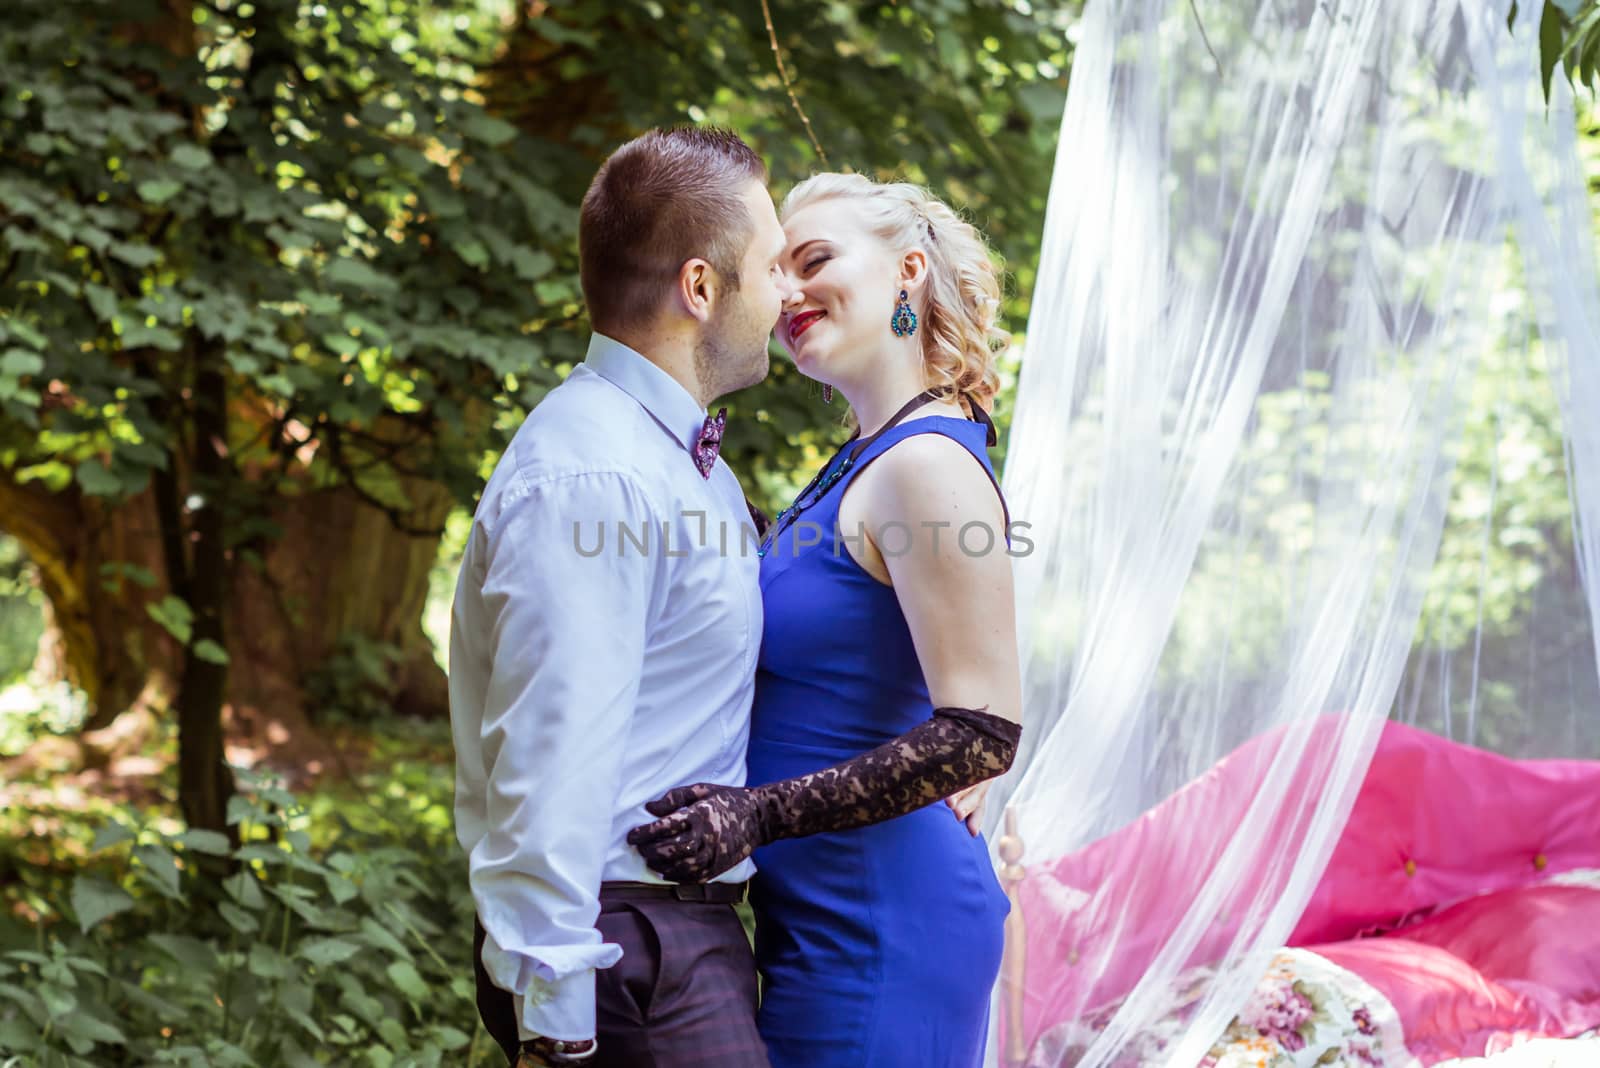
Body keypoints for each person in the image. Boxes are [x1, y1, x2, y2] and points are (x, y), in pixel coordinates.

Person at [629, 172, 1024, 1068]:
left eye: (816, 260)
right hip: (816, 915)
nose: (789, 293)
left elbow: (980, 735)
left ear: (908, 272)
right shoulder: (865, 460)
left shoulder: (926, 466)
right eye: (778, 273)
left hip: (883, 923)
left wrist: (752, 815)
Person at [449, 126, 790, 1068]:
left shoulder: (675, 461)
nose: (787, 292)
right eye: (771, 265)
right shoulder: (595, 475)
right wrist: (556, 1029)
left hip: (675, 936)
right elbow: (549, 759)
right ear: (700, 288)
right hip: (627, 948)